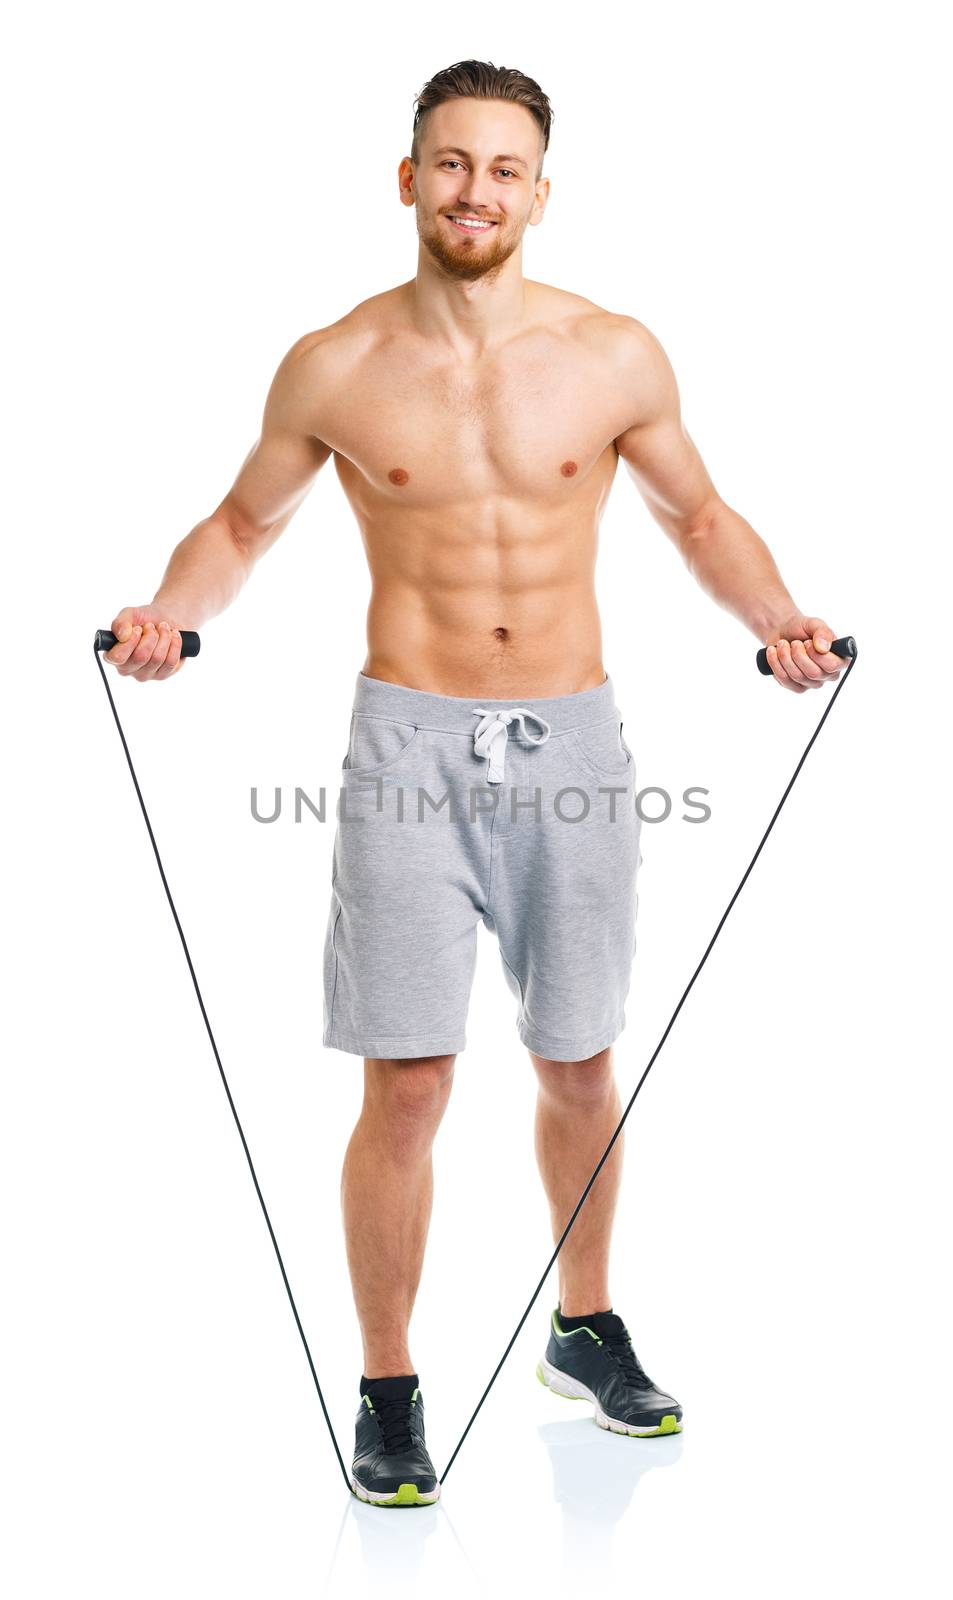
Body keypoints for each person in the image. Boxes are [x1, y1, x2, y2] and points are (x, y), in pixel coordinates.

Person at [104, 59, 847, 1507]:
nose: (474, 190)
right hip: (407, 745)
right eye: (449, 163)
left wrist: (775, 620)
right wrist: (169, 615)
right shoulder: (335, 362)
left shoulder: (614, 352)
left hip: (571, 736)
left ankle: (584, 1326)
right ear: (407, 179)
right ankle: (389, 1386)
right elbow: (241, 523)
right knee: (410, 1079)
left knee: (576, 1059)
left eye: (502, 168)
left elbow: (697, 512)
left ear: (539, 193)